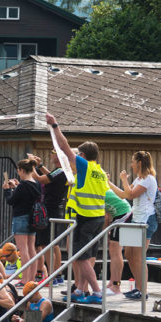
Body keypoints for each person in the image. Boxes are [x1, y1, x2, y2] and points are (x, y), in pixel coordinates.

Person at [48, 113, 107, 304]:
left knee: (80, 257)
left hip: (85, 218)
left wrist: (54, 126)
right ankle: (80, 290)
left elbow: (64, 147)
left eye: (77, 155)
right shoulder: (100, 171)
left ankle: (97, 292)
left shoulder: (86, 166)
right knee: (85, 256)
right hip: (97, 218)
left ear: (82, 155)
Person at [110, 151, 159, 300]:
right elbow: (123, 195)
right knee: (129, 254)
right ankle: (138, 288)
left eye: (133, 161)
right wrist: (108, 183)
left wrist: (124, 180)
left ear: (139, 163)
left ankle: (142, 291)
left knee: (139, 256)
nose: (131, 165)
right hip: (135, 219)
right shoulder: (139, 179)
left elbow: (130, 195)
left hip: (145, 221)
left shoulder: (148, 179)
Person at [32, 152, 68, 282]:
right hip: (56, 209)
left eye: (52, 153)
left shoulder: (60, 170)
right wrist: (40, 165)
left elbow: (42, 179)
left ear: (58, 157)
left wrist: (31, 167)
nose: (51, 155)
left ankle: (52, 276)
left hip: (50, 209)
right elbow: (50, 176)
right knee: (54, 244)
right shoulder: (60, 171)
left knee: (46, 244)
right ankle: (57, 275)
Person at [3, 158, 41, 281]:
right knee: (31, 249)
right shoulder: (36, 184)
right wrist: (17, 186)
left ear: (22, 170)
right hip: (33, 218)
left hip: (20, 217)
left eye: (18, 170)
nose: (18, 173)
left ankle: (24, 279)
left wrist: (7, 190)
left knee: (23, 250)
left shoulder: (23, 185)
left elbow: (11, 201)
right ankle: (31, 278)